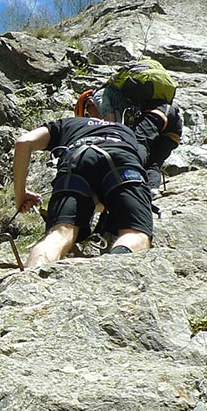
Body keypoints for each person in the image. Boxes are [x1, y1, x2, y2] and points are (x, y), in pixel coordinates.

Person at [13, 60, 183, 270]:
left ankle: (31, 282)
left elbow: (23, 142)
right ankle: (111, 273)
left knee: (59, 234)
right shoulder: (128, 131)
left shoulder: (70, 124)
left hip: (77, 157)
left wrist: (20, 194)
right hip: (122, 157)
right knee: (135, 233)